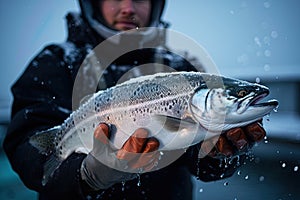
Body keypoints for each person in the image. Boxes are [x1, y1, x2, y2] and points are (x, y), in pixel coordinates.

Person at [3, 0, 266, 199]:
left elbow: (199, 159)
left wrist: (219, 154)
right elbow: (25, 143)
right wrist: (85, 174)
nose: (128, 8)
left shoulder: (182, 66)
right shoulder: (57, 61)